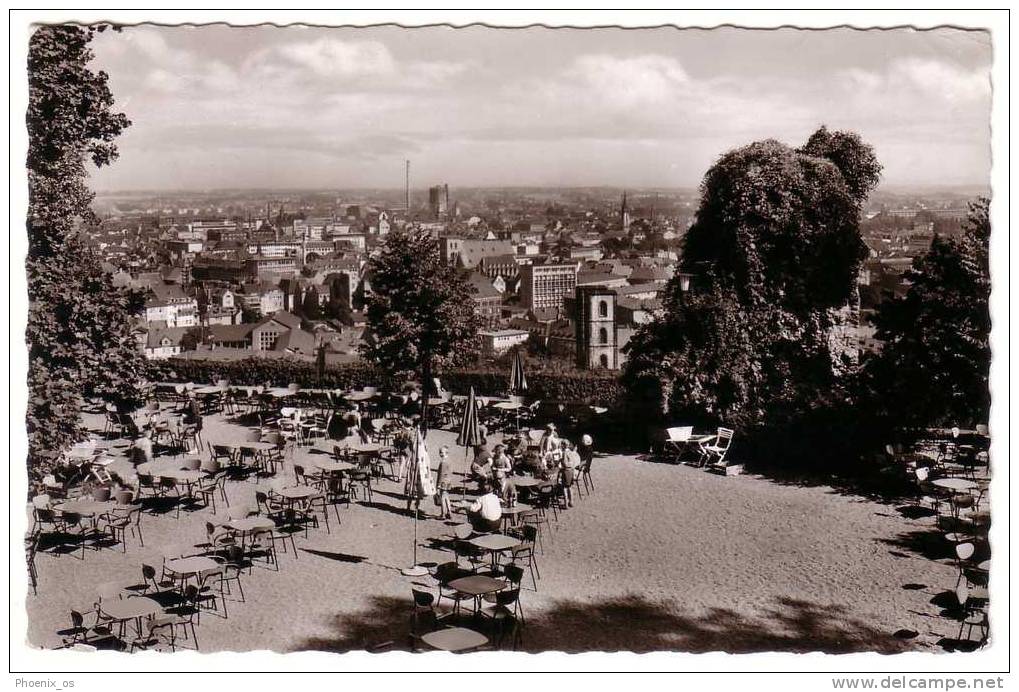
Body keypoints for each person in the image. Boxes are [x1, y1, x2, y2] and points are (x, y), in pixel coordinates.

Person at [434, 445, 454, 520]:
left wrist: (438, 485)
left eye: (441, 452)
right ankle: (449, 512)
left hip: (443, 482)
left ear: (446, 453)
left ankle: (443, 514)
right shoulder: (449, 460)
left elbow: (441, 474)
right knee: (446, 497)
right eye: (440, 452)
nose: (440, 454)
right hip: (448, 481)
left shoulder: (443, 462)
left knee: (442, 498)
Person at [560, 440, 581, 508]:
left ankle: (566, 503)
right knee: (570, 487)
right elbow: (573, 461)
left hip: (566, 470)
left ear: (563, 445)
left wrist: (561, 463)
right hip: (571, 470)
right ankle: (571, 501)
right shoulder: (571, 452)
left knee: (564, 487)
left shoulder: (564, 453)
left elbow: (565, 463)